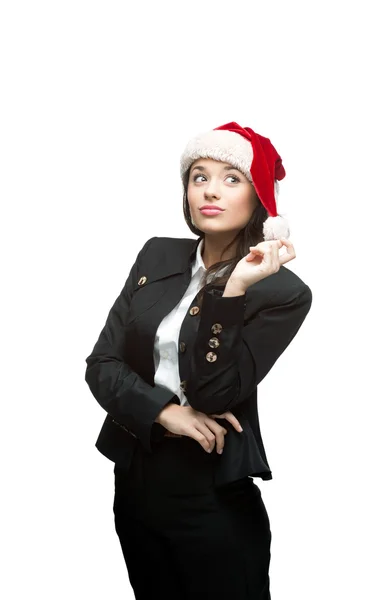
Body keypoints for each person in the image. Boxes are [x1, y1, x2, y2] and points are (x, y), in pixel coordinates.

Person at [84, 121, 312, 599]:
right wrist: (166, 412)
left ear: (260, 199)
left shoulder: (283, 293)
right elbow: (102, 365)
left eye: (232, 178)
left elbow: (215, 392)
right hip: (135, 484)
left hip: (212, 497)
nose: (210, 190)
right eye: (199, 176)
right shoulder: (156, 256)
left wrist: (230, 292)